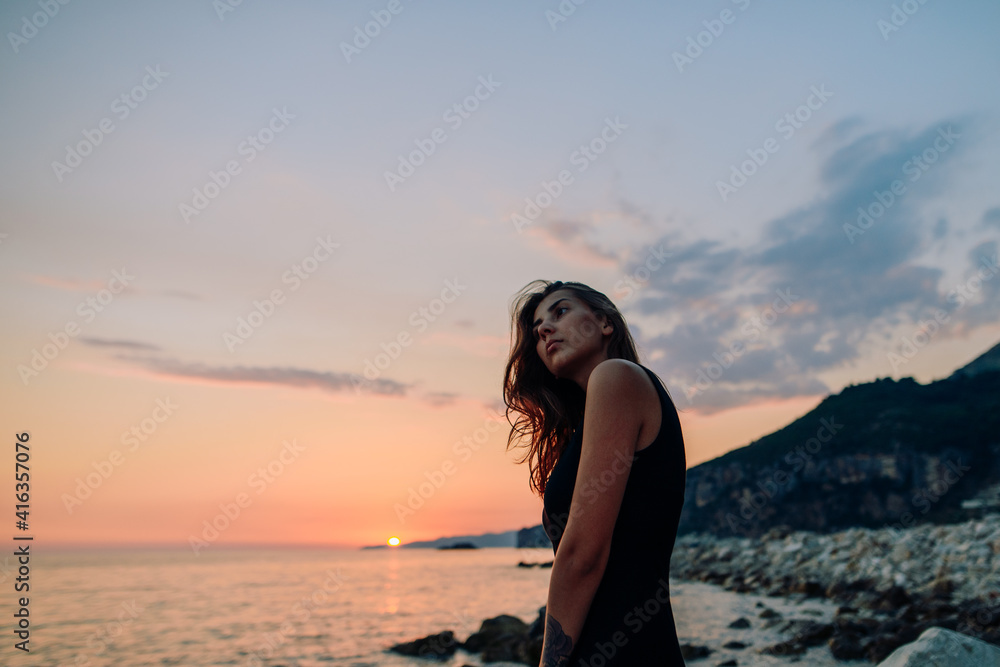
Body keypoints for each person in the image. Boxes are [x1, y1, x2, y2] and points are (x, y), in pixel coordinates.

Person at [503, 280, 687, 666]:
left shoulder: (617, 377)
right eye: (537, 329)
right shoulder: (587, 426)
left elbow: (581, 554)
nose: (544, 329)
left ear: (604, 323)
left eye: (560, 311)